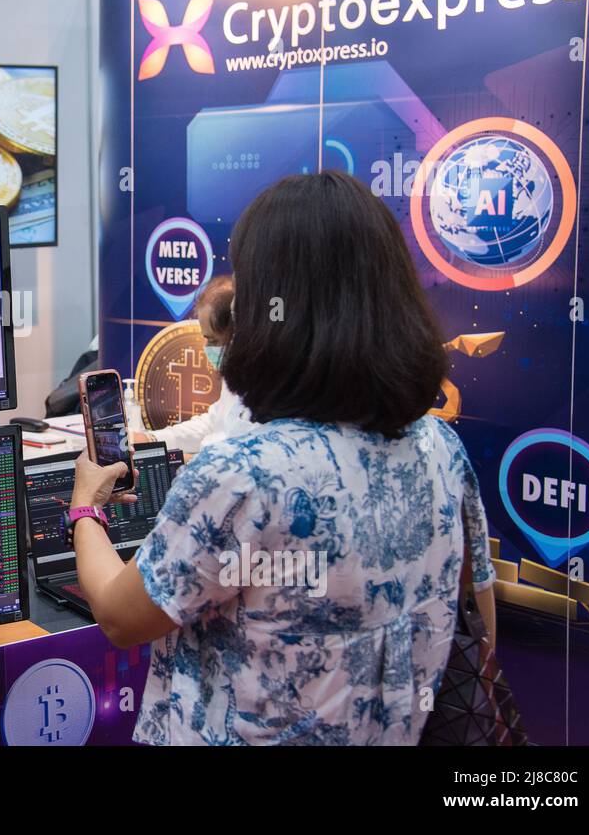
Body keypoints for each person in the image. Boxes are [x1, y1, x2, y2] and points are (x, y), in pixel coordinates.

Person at [68, 170, 496, 745]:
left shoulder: (245, 476)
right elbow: (477, 620)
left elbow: (121, 617)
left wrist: (84, 510)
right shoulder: (441, 447)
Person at [133, 274, 251, 453]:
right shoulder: (234, 379)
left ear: (237, 335)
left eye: (213, 340)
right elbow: (214, 423)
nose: (207, 348)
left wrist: (189, 463)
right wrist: (152, 439)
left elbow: (231, 447)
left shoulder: (262, 394)